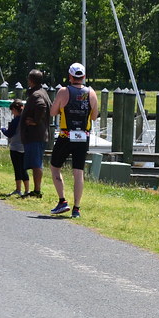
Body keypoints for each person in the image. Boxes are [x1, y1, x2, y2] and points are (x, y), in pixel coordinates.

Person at [48, 63, 98, 218]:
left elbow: (52, 112)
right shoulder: (91, 93)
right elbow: (95, 116)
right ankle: (76, 208)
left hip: (66, 135)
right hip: (83, 137)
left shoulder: (63, 91)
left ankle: (62, 201)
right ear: (84, 77)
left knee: (55, 166)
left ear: (70, 77)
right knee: (78, 172)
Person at [21, 69, 51, 198]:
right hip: (39, 135)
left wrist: (35, 121)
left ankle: (37, 190)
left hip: (36, 135)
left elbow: (41, 106)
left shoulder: (37, 95)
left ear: (31, 80)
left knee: (36, 163)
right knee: (35, 163)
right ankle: (36, 189)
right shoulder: (43, 92)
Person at [1, 100, 28, 196]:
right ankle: (27, 190)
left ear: (15, 110)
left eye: (12, 110)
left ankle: (18, 189)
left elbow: (9, 133)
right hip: (24, 147)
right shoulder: (26, 119)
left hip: (15, 147)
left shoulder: (16, 120)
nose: (12, 113)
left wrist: (3, 129)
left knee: (17, 168)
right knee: (24, 169)